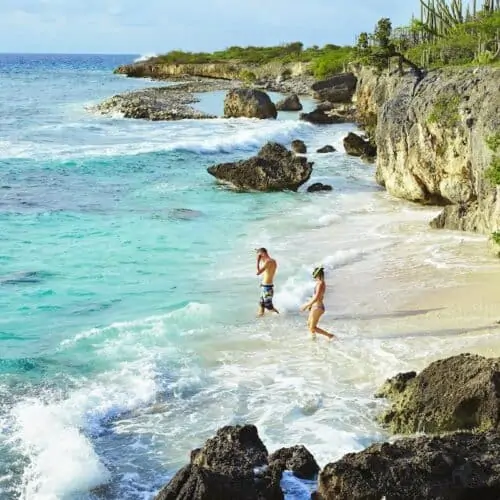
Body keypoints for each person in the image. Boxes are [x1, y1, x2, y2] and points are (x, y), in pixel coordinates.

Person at [300, 267, 336, 340]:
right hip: (315, 306)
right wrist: (311, 305)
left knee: (313, 327)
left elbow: (317, 297)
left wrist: (307, 305)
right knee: (309, 325)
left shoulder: (320, 283)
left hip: (318, 307)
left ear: (317, 275)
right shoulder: (320, 283)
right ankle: (313, 339)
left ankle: (330, 336)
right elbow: (315, 296)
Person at [255, 248, 279, 316]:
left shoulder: (268, 262)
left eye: (259, 255)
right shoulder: (272, 261)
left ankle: (280, 317)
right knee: (261, 304)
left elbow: (258, 272)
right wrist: (262, 284)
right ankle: (260, 320)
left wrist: (257, 261)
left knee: (269, 306)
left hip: (267, 287)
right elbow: (267, 274)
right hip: (265, 286)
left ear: (262, 254)